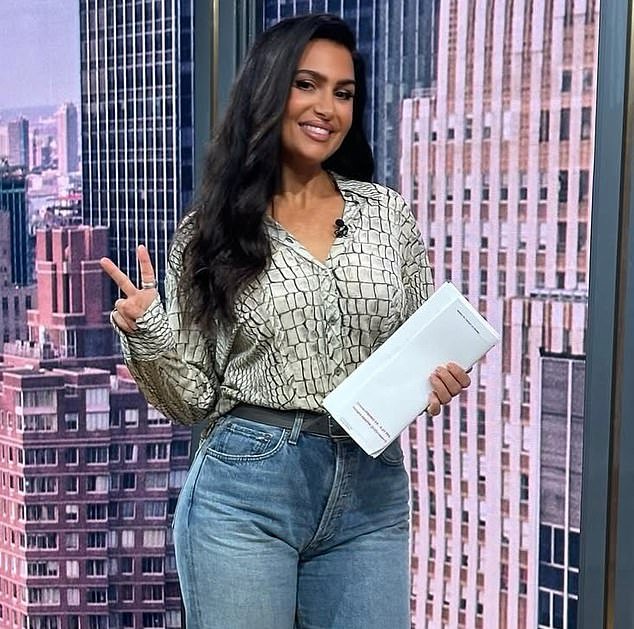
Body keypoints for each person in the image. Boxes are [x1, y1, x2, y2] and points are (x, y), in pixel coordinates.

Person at [101, 13, 471, 629]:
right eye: (307, 84)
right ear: (270, 90)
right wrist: (147, 331)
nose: (327, 107)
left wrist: (436, 380)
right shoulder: (209, 232)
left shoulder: (386, 215)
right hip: (246, 492)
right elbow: (191, 400)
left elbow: (413, 345)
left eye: (343, 93)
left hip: (371, 487)